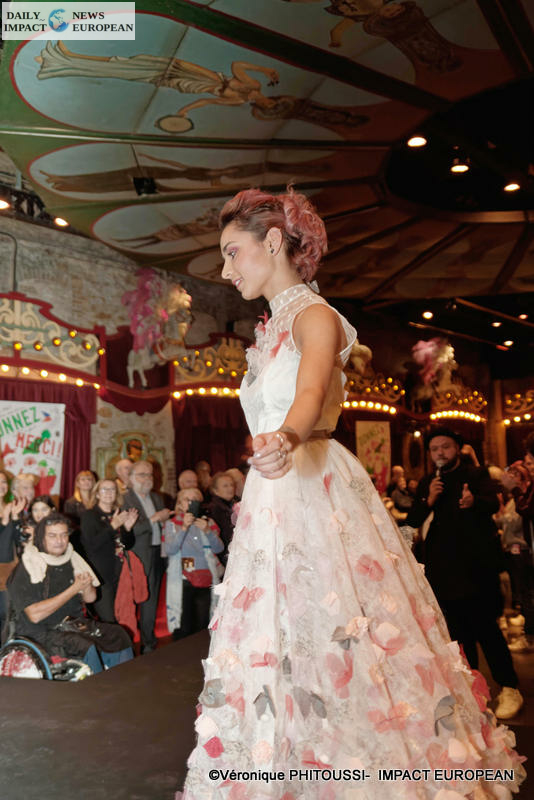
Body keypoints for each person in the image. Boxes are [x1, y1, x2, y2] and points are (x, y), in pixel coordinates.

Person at [179, 188, 525, 800]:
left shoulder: (315, 316)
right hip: (272, 497)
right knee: (284, 633)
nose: (226, 270)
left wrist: (286, 436)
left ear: (273, 242)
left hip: (311, 482)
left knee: (343, 627)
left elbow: (311, 393)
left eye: (232, 253)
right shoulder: (269, 328)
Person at [406, 427, 522, 720]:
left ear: (457, 448)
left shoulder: (476, 474)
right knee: (457, 635)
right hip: (443, 569)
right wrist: (429, 500)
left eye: (445, 447)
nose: (440, 453)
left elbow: (493, 503)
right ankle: (473, 690)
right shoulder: (428, 482)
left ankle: (509, 686)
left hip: (476, 567)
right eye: (435, 449)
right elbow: (412, 520)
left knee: (486, 629)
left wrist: (474, 502)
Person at [7, 512, 133, 673]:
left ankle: (123, 679)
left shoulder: (73, 559)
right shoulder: (28, 566)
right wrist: (73, 589)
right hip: (41, 631)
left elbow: (91, 598)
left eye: (63, 535)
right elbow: (34, 615)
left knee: (117, 634)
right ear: (41, 538)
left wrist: (86, 586)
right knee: (82, 645)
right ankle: (96, 685)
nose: (59, 541)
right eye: (52, 536)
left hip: (71, 624)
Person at [122, 461, 171, 653]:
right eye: (142, 475)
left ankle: (148, 643)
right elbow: (131, 530)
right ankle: (127, 645)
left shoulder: (157, 498)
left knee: (151, 598)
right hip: (137, 555)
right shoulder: (125, 499)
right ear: (131, 478)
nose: (147, 479)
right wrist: (155, 519)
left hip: (158, 552)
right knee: (132, 600)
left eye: (150, 475)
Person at [163, 488, 223, 640]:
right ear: (180, 503)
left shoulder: (207, 522)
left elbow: (219, 548)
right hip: (183, 578)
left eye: (195, 499)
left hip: (206, 576)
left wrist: (208, 531)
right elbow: (170, 549)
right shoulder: (171, 524)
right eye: (187, 500)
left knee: (203, 621)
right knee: (184, 622)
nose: (191, 503)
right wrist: (184, 528)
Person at [80, 480, 139, 622]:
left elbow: (127, 545)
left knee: (123, 616)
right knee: (108, 620)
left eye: (112, 489)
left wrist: (127, 529)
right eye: (104, 489)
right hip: (101, 576)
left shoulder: (118, 514)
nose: (108, 492)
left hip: (121, 573)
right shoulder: (90, 515)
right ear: (97, 494)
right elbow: (92, 545)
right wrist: (113, 526)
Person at [205, 472, 236, 566]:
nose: (230, 488)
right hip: (223, 556)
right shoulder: (214, 509)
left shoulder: (234, 504)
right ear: (215, 490)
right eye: (225, 486)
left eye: (231, 485)